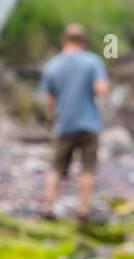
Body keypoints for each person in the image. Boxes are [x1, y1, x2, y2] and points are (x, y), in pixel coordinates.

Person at [39, 23, 109, 220]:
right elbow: (101, 89)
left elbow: (49, 99)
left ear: (64, 40)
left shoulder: (52, 64)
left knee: (57, 167)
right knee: (88, 168)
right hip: (89, 123)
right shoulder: (92, 62)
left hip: (64, 123)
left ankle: (48, 206)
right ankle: (83, 210)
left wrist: (55, 117)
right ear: (83, 42)